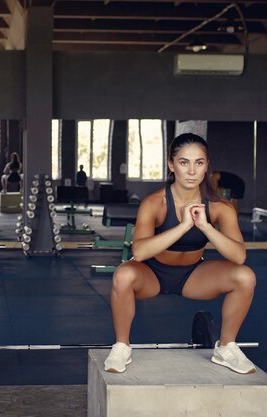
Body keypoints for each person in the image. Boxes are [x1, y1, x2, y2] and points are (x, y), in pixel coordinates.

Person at [104, 133, 256, 375]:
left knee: (245, 277)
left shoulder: (219, 207)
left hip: (193, 276)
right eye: (184, 162)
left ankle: (226, 348)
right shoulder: (154, 203)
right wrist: (184, 225)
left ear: (207, 166)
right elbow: (140, 252)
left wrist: (205, 226)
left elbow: (239, 256)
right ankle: (122, 346)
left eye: (199, 162)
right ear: (171, 165)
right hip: (151, 274)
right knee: (123, 275)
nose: (192, 171)